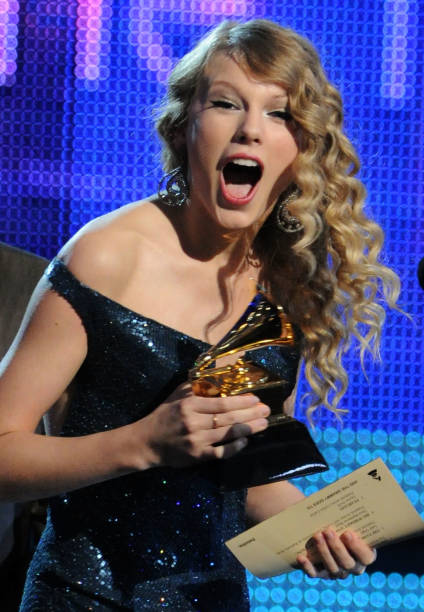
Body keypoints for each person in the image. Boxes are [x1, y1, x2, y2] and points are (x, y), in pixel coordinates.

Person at [0, 19, 400, 611]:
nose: (249, 131)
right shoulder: (109, 254)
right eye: (225, 103)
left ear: (303, 149)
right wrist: (144, 443)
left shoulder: (283, 284)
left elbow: (248, 480)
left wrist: (312, 533)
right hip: (83, 596)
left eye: (278, 113)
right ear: (187, 123)